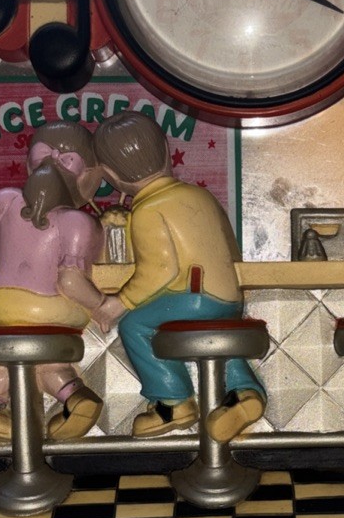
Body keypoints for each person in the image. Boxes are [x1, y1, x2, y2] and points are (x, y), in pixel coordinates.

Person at [93, 113, 265, 440]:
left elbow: (161, 271)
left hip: (195, 300)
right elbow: (232, 251)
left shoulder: (147, 210)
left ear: (111, 175)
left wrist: (120, 302)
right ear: (167, 150)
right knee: (219, 337)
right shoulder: (202, 196)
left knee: (134, 326)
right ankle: (244, 393)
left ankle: (173, 401)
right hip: (230, 299)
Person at [0, 132, 108, 442]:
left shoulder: (3, 201)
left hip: (2, 306)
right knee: (47, 341)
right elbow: (70, 281)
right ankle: (73, 397)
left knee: (25, 346)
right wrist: (102, 306)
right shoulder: (78, 222)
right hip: (50, 309)